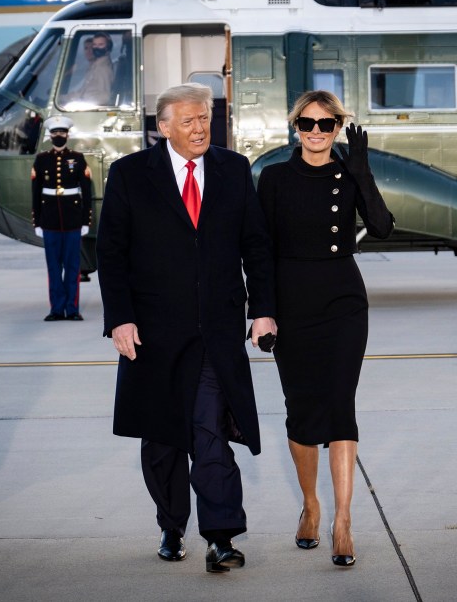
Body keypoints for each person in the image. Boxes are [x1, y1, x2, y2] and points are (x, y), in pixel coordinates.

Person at [96, 83, 276, 574]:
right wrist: (120, 318)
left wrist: (263, 310)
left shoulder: (233, 169)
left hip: (216, 332)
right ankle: (171, 523)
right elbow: (111, 253)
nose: (200, 129)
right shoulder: (131, 174)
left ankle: (221, 536)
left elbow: (255, 245)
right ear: (164, 127)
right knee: (162, 440)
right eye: (189, 121)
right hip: (153, 333)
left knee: (210, 430)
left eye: (205, 119)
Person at [255, 91, 394, 567]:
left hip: (343, 302)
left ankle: (344, 521)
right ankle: (311, 505)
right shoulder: (274, 178)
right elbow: (260, 252)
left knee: (339, 405)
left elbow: (382, 227)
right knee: (300, 409)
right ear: (295, 126)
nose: (316, 132)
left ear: (338, 127)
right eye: (307, 123)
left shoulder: (349, 174)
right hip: (292, 303)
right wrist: (262, 311)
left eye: (326, 124)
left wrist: (362, 172)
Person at [31, 116, 92, 321]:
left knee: (73, 267)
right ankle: (57, 309)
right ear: (50, 136)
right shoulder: (41, 159)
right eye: (55, 133)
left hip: (73, 221)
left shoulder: (77, 158)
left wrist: (85, 221)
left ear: (67, 135)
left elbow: (86, 191)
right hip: (49, 222)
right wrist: (37, 222)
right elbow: (35, 192)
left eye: (62, 133)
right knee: (54, 268)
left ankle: (72, 309)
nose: (58, 136)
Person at [76, 32, 114, 106]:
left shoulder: (103, 69)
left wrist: (84, 102)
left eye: (100, 45)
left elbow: (105, 98)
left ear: (108, 47)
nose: (96, 48)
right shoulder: (95, 66)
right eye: (94, 45)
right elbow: (81, 92)